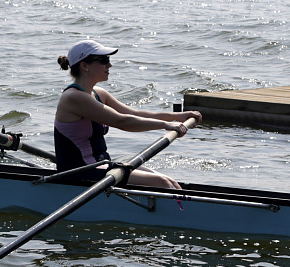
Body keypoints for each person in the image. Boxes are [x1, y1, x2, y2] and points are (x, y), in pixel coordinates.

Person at [54, 39, 200, 188]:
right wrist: (165, 125)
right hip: (77, 174)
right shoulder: (73, 97)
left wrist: (176, 116)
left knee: (170, 182)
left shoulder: (99, 93)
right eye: (103, 60)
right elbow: (122, 121)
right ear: (84, 66)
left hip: (100, 166)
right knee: (161, 183)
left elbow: (134, 114)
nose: (109, 65)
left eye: (108, 60)